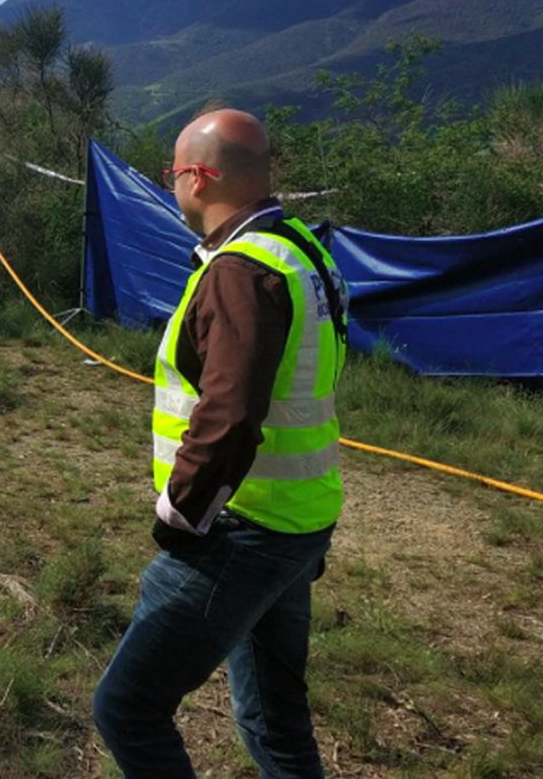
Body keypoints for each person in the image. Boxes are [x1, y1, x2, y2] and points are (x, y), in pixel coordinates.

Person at [92, 108, 348, 779]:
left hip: (241, 529)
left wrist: (181, 513)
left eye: (173, 173)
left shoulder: (241, 271)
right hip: (299, 520)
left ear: (199, 178)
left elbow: (230, 414)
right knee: (272, 715)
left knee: (127, 707)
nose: (171, 185)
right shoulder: (302, 250)